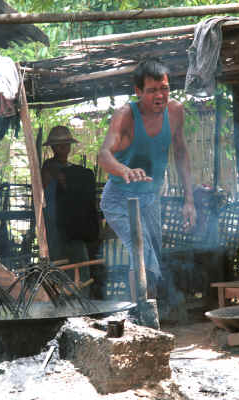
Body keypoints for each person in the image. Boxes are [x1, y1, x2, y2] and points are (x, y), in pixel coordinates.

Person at [98, 58, 196, 297]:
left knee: (153, 259)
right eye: (152, 90)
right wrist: (125, 170)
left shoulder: (175, 112)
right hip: (119, 199)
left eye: (164, 88)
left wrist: (189, 200)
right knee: (140, 250)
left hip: (150, 199)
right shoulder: (125, 116)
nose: (160, 95)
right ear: (138, 92)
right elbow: (103, 155)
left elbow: (181, 153)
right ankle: (141, 314)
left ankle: (147, 312)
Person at [42, 126, 97, 293]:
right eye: (59, 145)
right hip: (55, 227)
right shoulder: (49, 167)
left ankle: (82, 303)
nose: (63, 148)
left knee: (81, 265)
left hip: (75, 226)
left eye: (66, 144)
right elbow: (61, 183)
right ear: (52, 147)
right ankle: (60, 304)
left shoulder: (76, 171)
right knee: (59, 266)